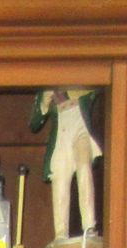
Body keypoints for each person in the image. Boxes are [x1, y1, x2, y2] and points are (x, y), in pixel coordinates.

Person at [31, 88, 103, 239]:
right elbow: (34, 123)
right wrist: (44, 103)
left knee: (84, 168)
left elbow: (95, 88)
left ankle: (89, 226)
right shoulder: (47, 89)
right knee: (60, 180)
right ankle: (60, 234)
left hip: (80, 129)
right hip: (62, 134)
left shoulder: (82, 82)